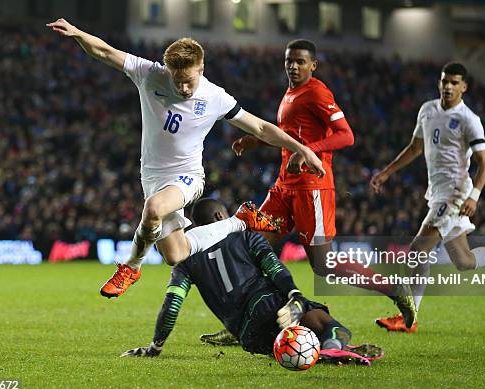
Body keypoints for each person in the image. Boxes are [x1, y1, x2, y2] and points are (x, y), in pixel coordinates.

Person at [46, 19, 326, 298]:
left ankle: (131, 266)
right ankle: (241, 219)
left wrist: (302, 149)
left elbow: (262, 128)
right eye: (177, 81)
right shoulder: (150, 74)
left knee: (154, 208)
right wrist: (78, 33)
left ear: (201, 69)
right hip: (152, 176)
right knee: (175, 253)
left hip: (188, 176)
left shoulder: (215, 96)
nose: (183, 88)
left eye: (188, 80)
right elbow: (106, 52)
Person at [200, 39, 415, 345]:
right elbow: (290, 135)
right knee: (250, 248)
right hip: (283, 187)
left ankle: (393, 288)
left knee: (323, 265)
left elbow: (346, 136)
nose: (294, 66)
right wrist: (256, 142)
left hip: (311, 188)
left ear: (313, 65)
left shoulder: (316, 91)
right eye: (290, 61)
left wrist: (307, 151)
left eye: (301, 61)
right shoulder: (290, 93)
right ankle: (244, 324)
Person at [370, 62, 485, 333]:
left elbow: (484, 163)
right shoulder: (427, 110)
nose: (448, 87)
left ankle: (409, 318)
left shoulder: (469, 119)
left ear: (464, 87)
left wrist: (474, 196)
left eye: (454, 83)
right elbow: (416, 147)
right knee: (464, 261)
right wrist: (387, 172)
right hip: (437, 193)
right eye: (444, 81)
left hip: (454, 194)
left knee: (418, 251)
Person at [120, 199, 382, 365]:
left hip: (247, 336)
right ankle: (334, 346)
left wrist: (155, 346)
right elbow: (274, 267)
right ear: (220, 218)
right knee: (330, 324)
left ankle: (319, 350)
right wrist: (294, 294)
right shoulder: (244, 235)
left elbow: (173, 304)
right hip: (269, 304)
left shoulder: (186, 258)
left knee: (288, 341)